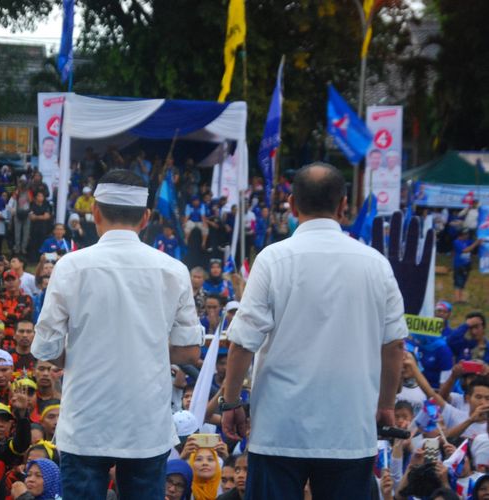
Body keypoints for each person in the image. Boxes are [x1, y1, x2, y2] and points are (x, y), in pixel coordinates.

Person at [220, 163, 407, 499]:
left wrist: (231, 401)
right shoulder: (375, 264)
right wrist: (386, 404)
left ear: (292, 205)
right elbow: (394, 346)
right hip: (349, 429)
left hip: (279, 430)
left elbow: (242, 343)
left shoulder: (273, 259)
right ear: (343, 205)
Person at [31, 169, 202, 498]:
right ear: (146, 217)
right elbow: (189, 352)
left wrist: (80, 356)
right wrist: (146, 348)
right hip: (146, 424)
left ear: (95, 212)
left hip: (85, 422)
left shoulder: (71, 266)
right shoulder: (173, 270)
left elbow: (47, 347)